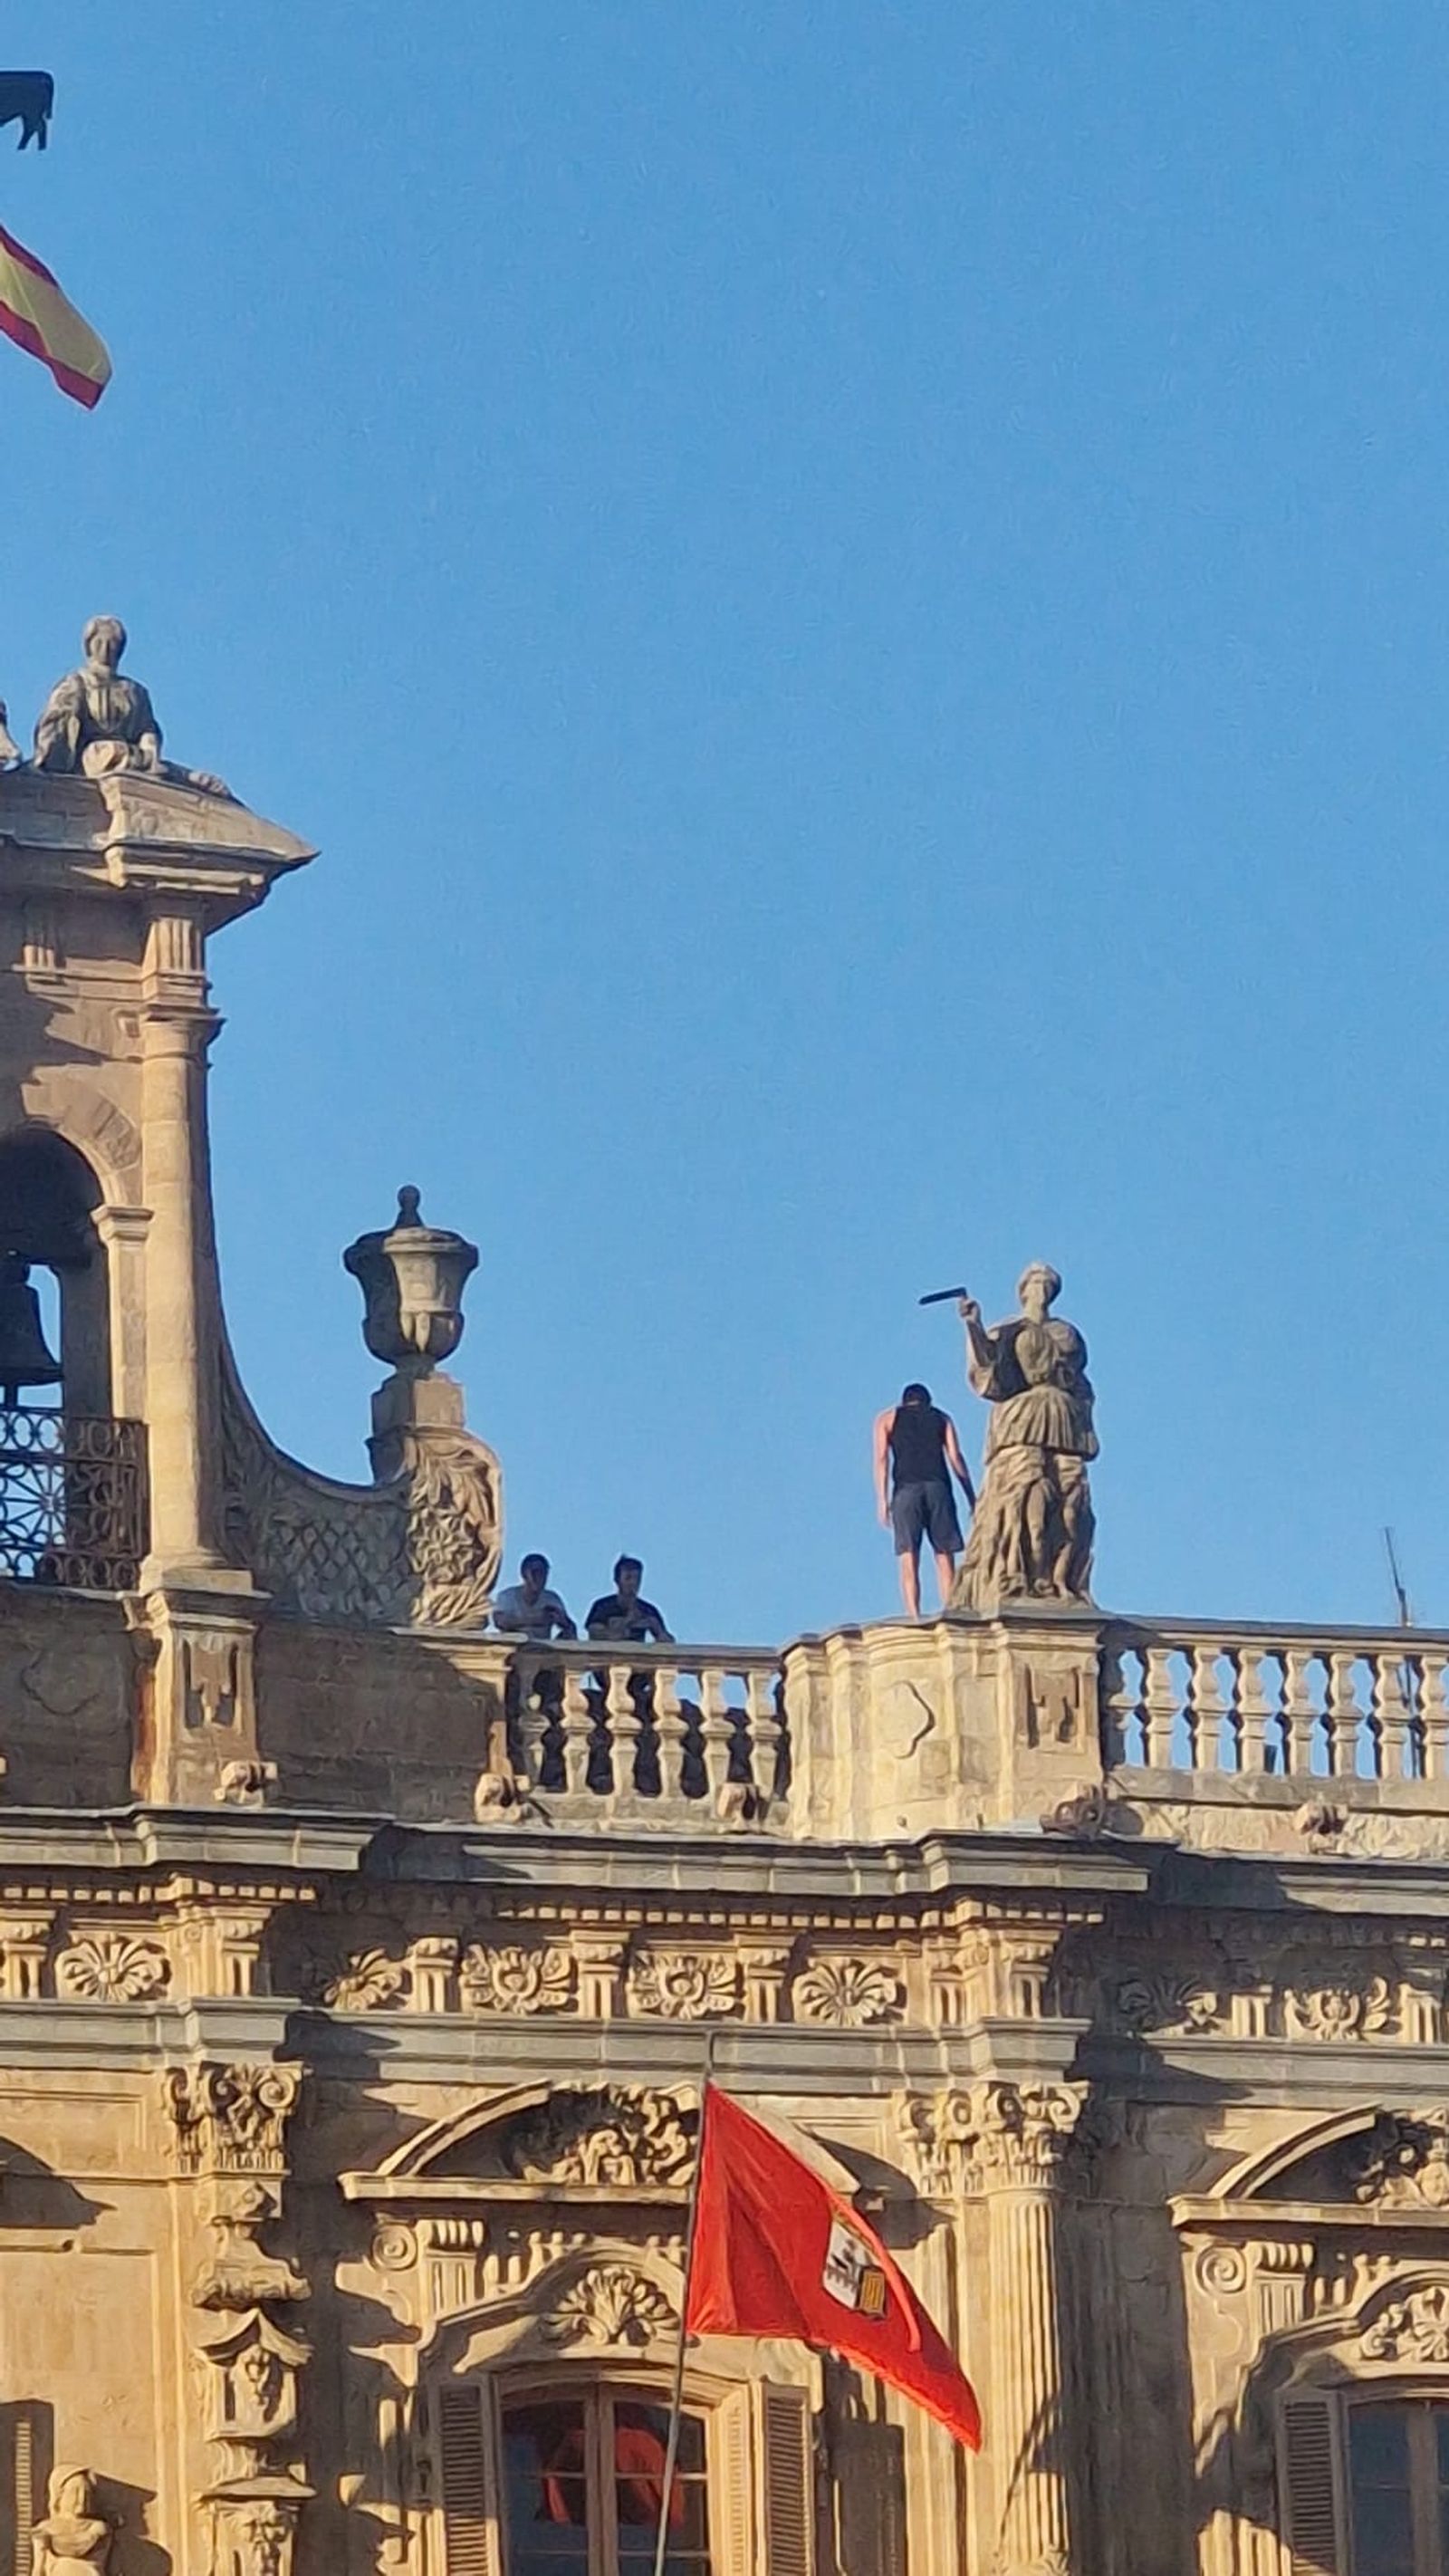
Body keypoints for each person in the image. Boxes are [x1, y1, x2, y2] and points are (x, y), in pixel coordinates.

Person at [952, 1264, 1097, 1610]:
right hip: (1021, 1417)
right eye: (1036, 1283)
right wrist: (973, 1326)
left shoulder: (1068, 1333)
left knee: (1070, 1498)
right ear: (1024, 1289)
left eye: (1048, 1284)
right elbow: (988, 1370)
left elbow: (1080, 1382)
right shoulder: (1008, 1329)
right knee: (1024, 1491)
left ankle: (1061, 1579)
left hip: (1063, 1417)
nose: (1042, 1288)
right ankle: (1017, 1572)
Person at [874, 1381, 976, 1618]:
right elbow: (955, 1457)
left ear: (903, 1402)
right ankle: (952, 1613)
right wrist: (971, 1495)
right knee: (944, 1555)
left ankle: (914, 1615)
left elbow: (881, 1459)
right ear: (928, 1402)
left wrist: (882, 1499)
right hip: (937, 1487)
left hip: (905, 1491)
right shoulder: (942, 1418)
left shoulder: (886, 1419)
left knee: (909, 1556)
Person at [586, 1556, 674, 1643]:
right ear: (617, 1580)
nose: (633, 1583)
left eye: (637, 1579)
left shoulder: (648, 1610)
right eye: (628, 1578)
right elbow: (594, 1632)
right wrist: (626, 1623)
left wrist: (657, 1630)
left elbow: (668, 1641)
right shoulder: (602, 1606)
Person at [492, 1552, 577, 1640]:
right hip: (515, 1648)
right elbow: (499, 1622)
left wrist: (563, 1622)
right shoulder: (508, 1596)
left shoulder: (551, 1599)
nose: (539, 1577)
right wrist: (538, 1619)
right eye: (535, 1572)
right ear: (524, 1574)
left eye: (543, 1573)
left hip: (542, 1649)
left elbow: (571, 1628)